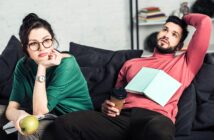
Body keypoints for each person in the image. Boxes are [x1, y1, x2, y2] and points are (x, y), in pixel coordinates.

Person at [53, 13, 212, 140]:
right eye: (165, 29)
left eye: (174, 34)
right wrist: (107, 107)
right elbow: (117, 97)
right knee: (64, 123)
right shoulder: (132, 63)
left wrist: (182, 18)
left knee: (159, 131)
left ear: (179, 45)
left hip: (155, 119)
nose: (166, 35)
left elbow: (204, 22)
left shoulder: (186, 64)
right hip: (122, 119)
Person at [5, 13, 94, 140]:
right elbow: (11, 108)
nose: (42, 48)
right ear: (25, 48)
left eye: (46, 40)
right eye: (34, 43)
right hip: (47, 118)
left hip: (75, 121)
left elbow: (39, 111)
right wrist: (19, 115)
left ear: (52, 40)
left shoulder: (67, 64)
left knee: (29, 132)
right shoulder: (23, 65)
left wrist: (42, 67)